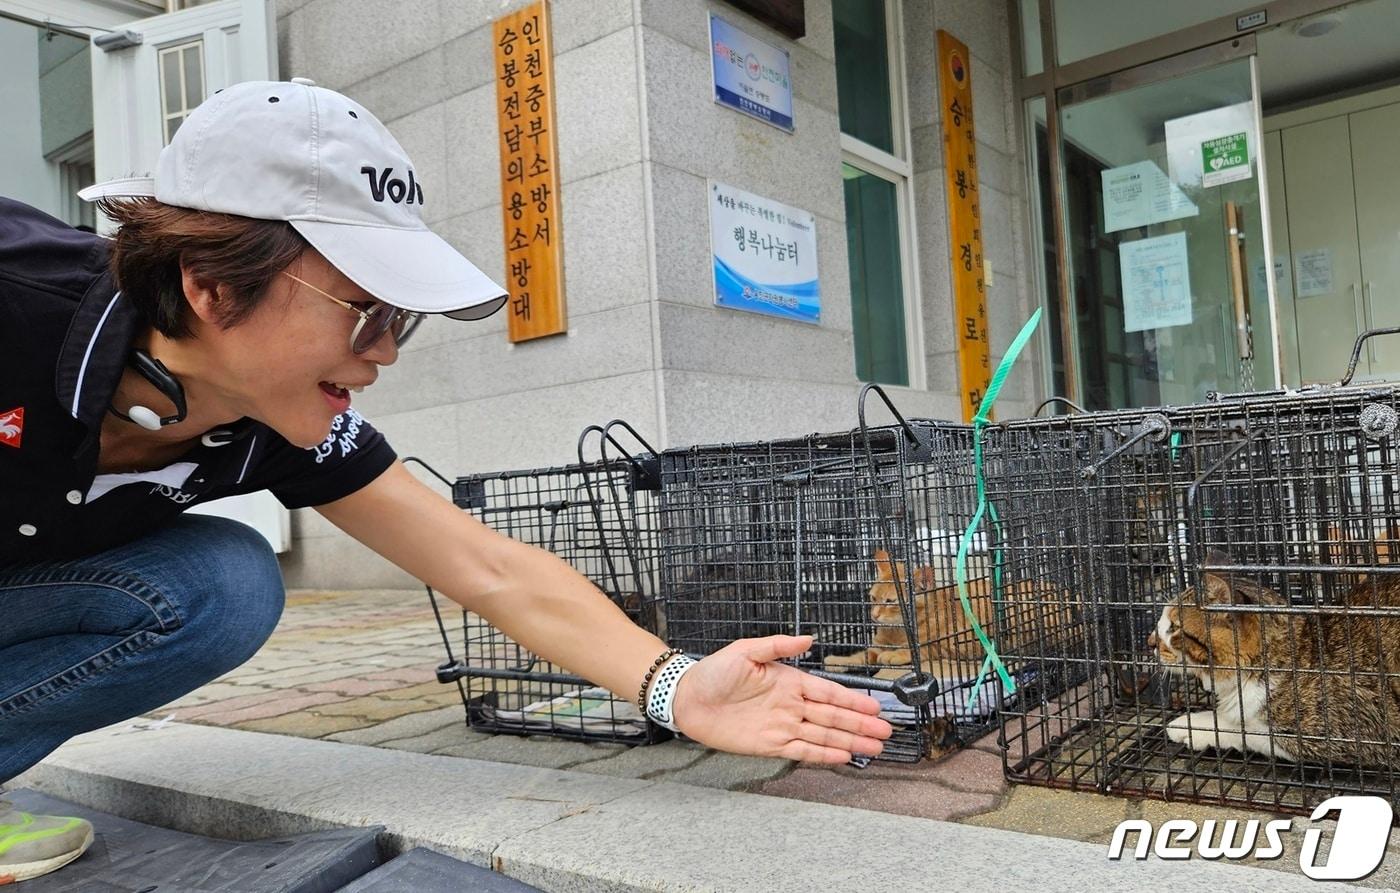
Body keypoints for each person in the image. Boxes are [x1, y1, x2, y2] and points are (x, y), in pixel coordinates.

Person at [0, 79, 891, 883]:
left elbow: (487, 567)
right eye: (367, 313)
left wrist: (676, 685)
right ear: (213, 289)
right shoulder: (16, 311)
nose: (384, 352)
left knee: (224, 584)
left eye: (401, 320)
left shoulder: (272, 416)